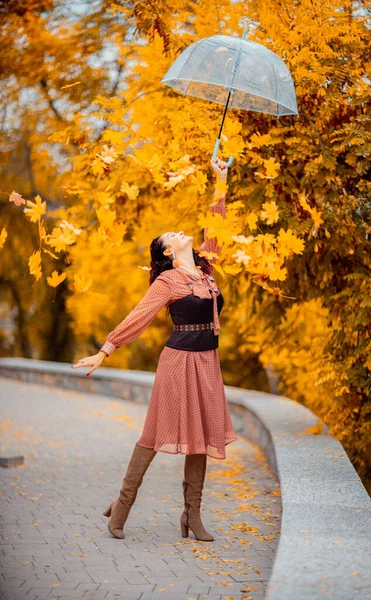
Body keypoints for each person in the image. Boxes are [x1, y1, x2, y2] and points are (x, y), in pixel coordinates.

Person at [72, 157, 238, 542]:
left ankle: (191, 517)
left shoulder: (205, 269)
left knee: (202, 437)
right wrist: (106, 349)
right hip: (178, 362)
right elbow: (140, 315)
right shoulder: (168, 280)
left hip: (207, 361)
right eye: (172, 234)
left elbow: (216, 227)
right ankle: (122, 506)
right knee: (154, 433)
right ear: (166, 252)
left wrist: (221, 182)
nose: (181, 232)